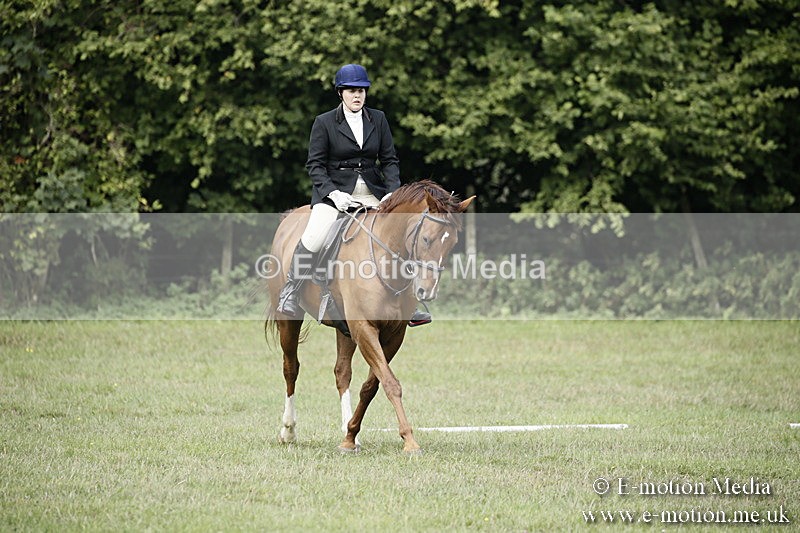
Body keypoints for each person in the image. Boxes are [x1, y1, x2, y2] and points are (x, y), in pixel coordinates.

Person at [276, 63, 431, 327]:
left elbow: (390, 160)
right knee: (315, 234)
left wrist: (391, 193)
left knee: (403, 234)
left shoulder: (378, 119)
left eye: (361, 90)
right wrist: (334, 194)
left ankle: (409, 302)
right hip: (335, 193)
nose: (357, 95)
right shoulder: (324, 122)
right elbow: (314, 165)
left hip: (373, 192)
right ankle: (291, 290)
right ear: (341, 93)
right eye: (351, 91)